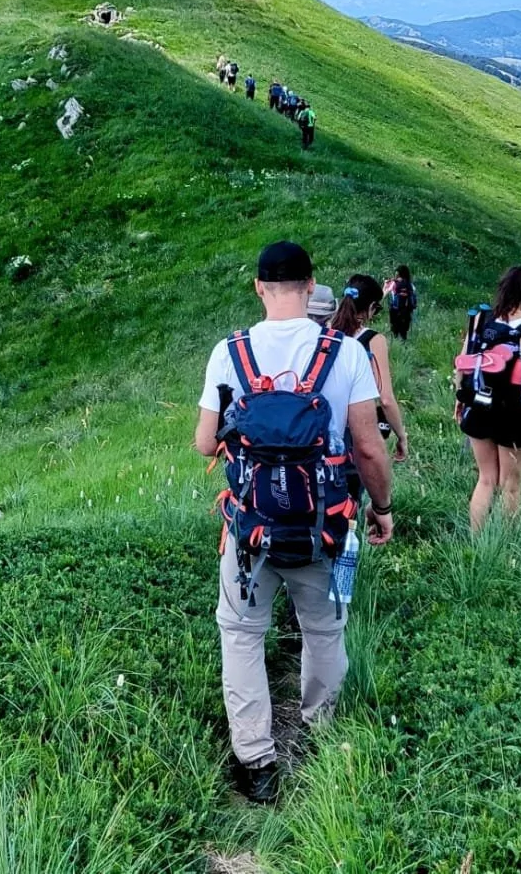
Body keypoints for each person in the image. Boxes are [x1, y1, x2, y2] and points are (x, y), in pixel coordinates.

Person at [195, 241, 394, 803]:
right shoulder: (346, 352)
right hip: (325, 527)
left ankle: (256, 760)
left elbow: (205, 441)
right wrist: (381, 510)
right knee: (325, 631)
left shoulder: (227, 353)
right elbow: (368, 448)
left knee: (240, 635)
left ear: (259, 288)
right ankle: (319, 732)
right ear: (311, 286)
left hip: (250, 529)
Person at [457, 266, 521, 532]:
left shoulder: (482, 320)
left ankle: (476, 542)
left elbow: (464, 366)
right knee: (510, 485)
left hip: (478, 407)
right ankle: (504, 544)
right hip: (514, 414)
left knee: (485, 479)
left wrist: (462, 399)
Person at [329, 275, 409, 463]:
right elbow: (386, 398)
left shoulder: (324, 332)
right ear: (371, 307)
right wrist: (401, 436)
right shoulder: (373, 340)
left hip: (321, 429)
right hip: (354, 431)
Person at [384, 265, 416, 340]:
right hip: (407, 309)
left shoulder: (393, 283)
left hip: (395, 308)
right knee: (404, 328)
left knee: (395, 327)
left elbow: (385, 293)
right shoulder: (410, 284)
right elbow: (413, 296)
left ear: (398, 273)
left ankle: (395, 342)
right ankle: (404, 342)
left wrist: (385, 285)